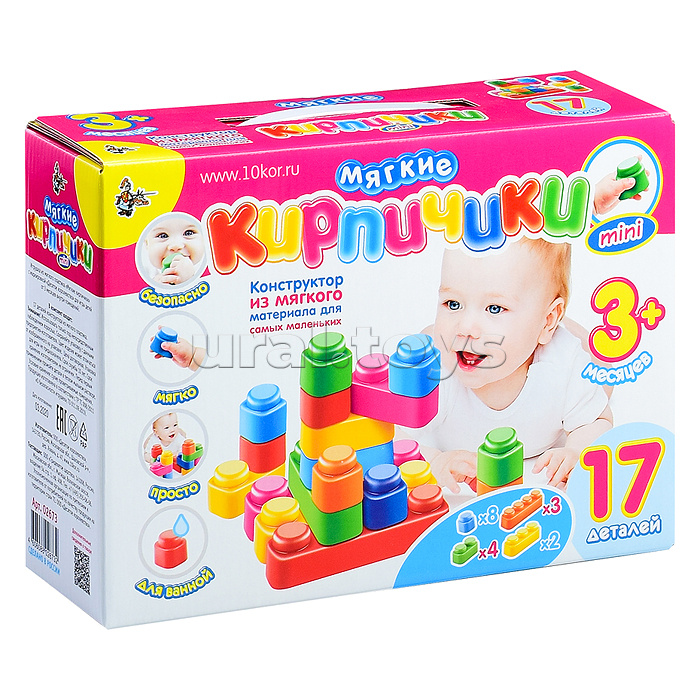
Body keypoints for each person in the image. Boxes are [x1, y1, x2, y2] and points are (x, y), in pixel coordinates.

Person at [406, 237, 612, 494]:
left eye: (494, 308)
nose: (466, 327)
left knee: (601, 374)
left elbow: (597, 420)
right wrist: (433, 461)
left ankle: (580, 341)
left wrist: (577, 451)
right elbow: (390, 434)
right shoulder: (432, 366)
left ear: (547, 320)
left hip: (553, 343)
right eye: (453, 304)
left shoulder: (563, 363)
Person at [143, 212, 205, 285]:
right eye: (163, 236)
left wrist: (189, 279)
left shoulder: (208, 267)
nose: (176, 245)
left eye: (188, 233)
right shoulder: (146, 271)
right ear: (147, 244)